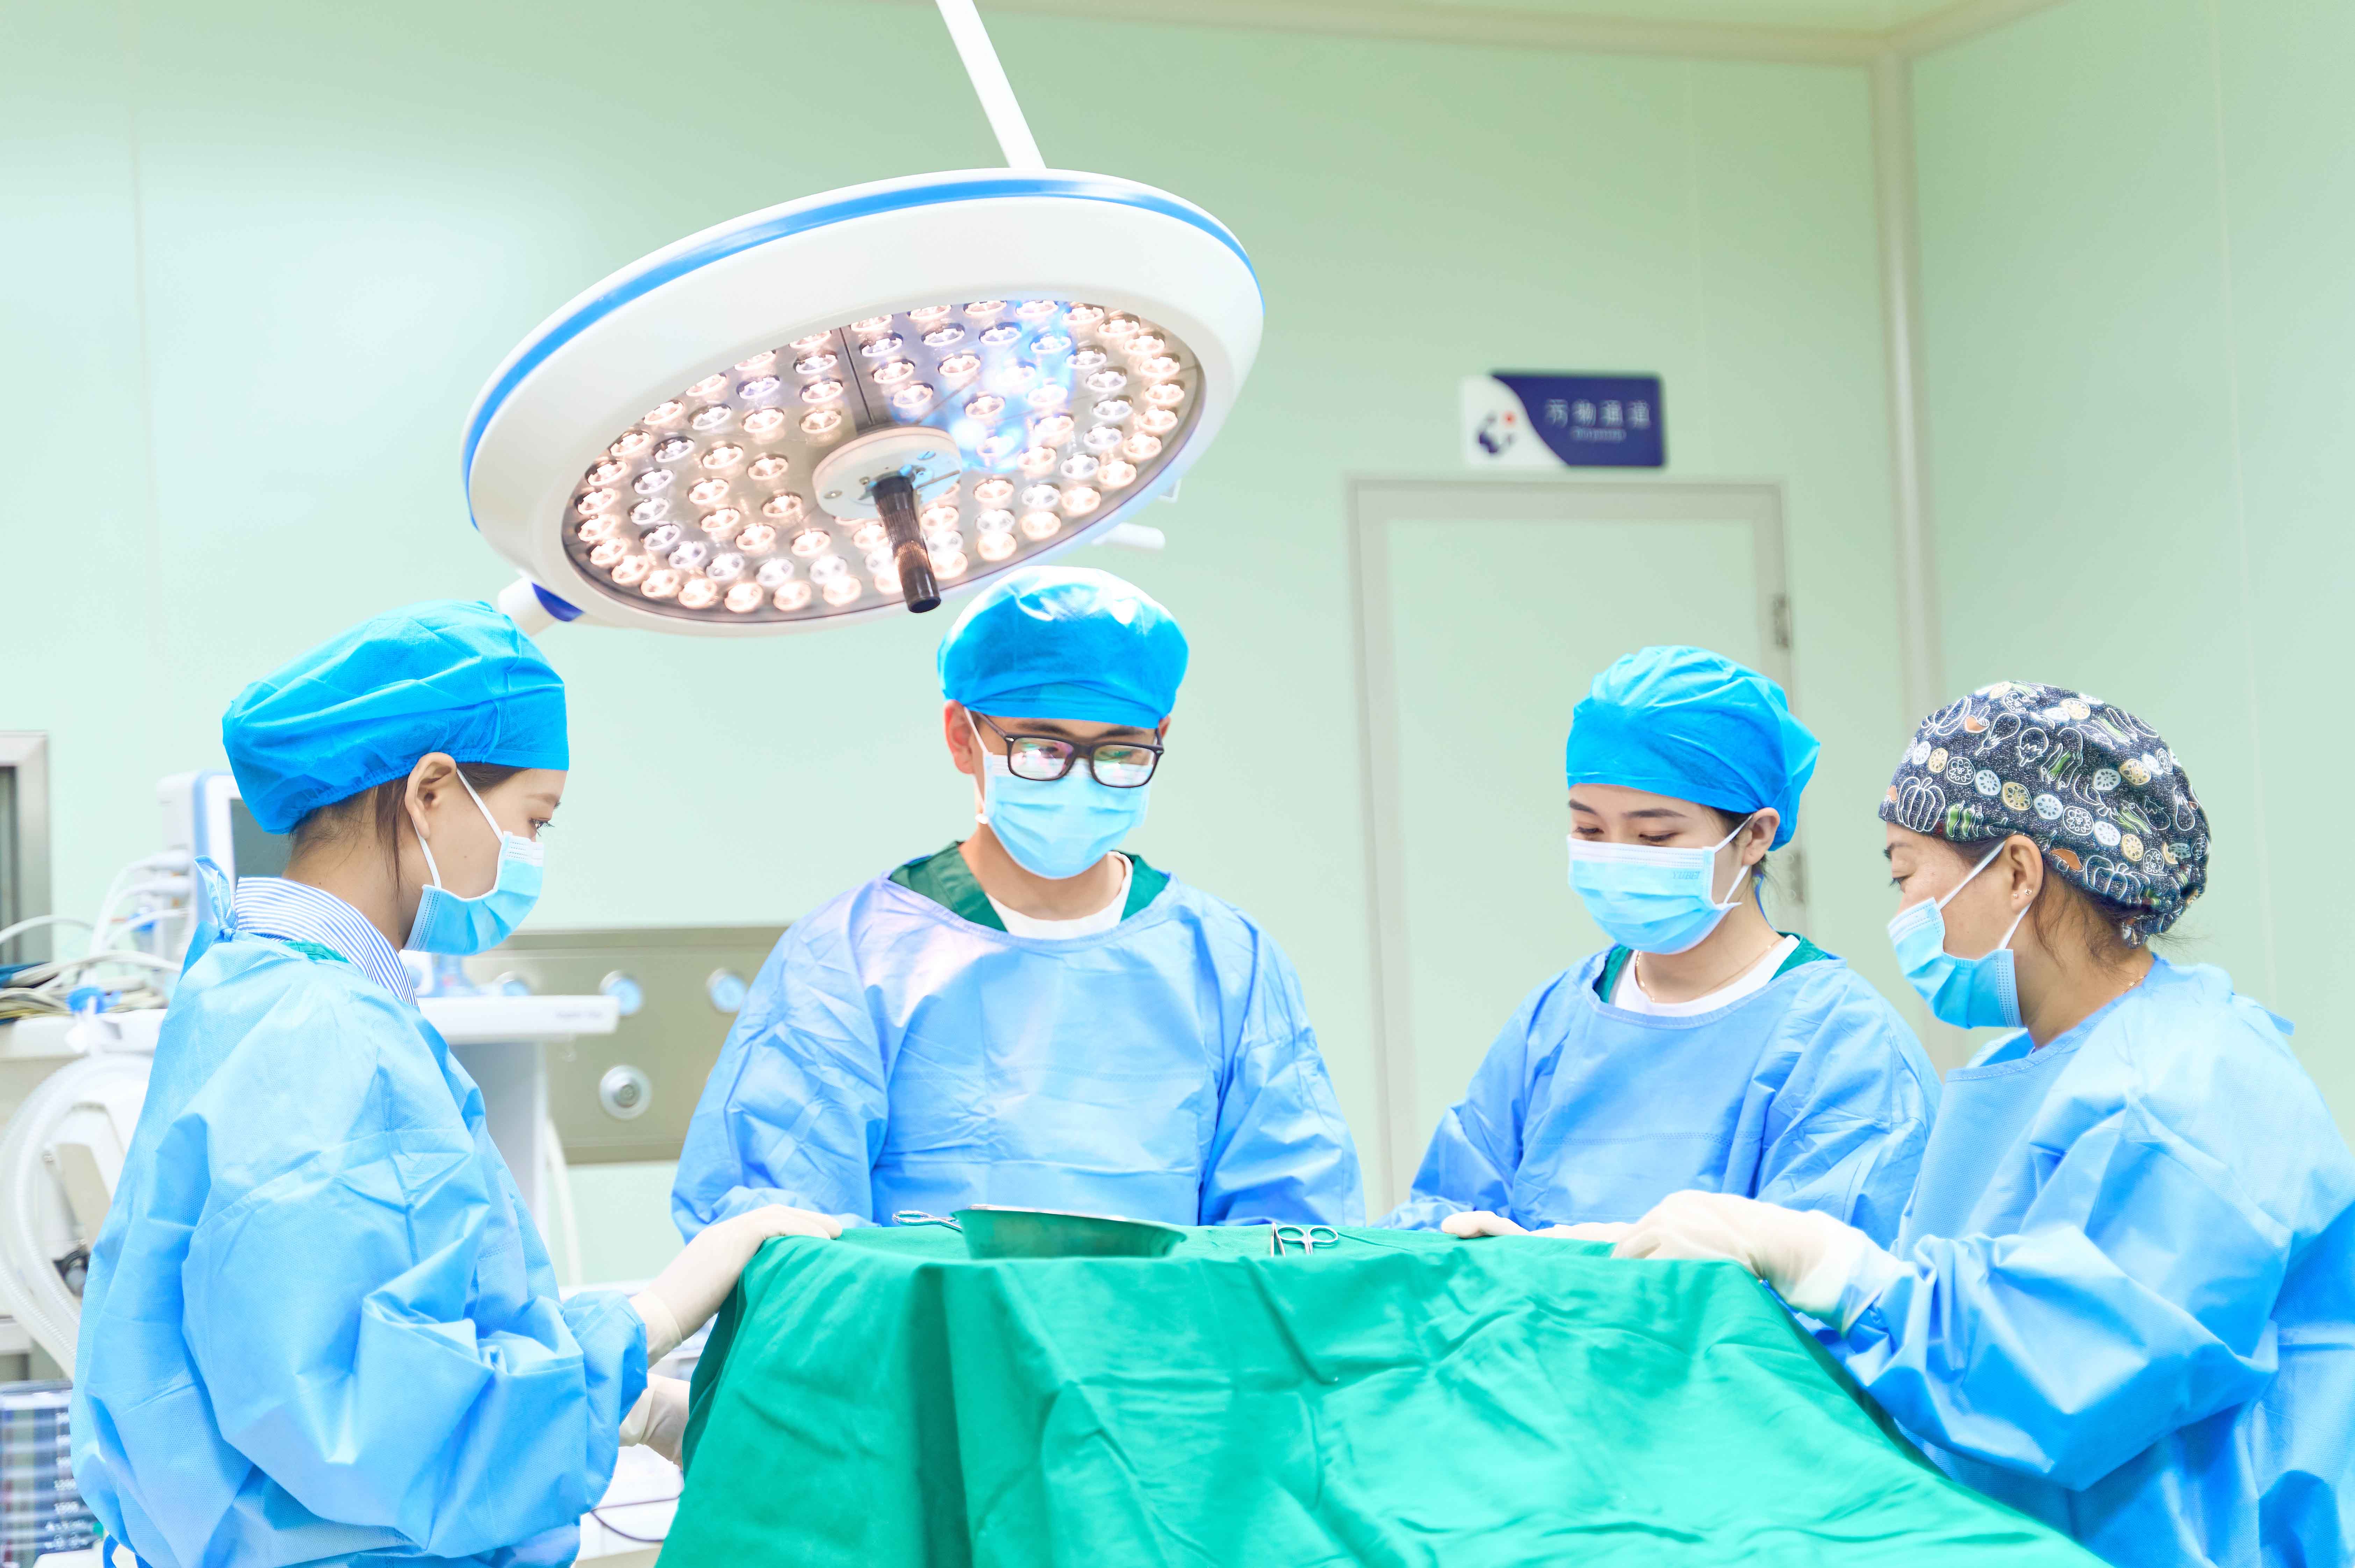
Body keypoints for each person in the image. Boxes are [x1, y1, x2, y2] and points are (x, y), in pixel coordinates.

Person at [74, 602, 837, 1568]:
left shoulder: (249, 986)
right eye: (534, 821)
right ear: (432, 789)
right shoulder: (327, 1033)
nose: (532, 855)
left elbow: (342, 1338)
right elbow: (374, 1422)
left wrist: (637, 1405)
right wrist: (658, 1314)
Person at [1602, 682, 2355, 1568]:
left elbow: (2069, 1373)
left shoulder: (2189, 1086)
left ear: (2017, 871)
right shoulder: (2025, 1068)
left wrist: (1837, 1269)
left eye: (1905, 875)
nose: (1901, 916)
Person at [673, 565, 1362, 1233]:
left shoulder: (1227, 960)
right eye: (1041, 749)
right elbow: (781, 1234)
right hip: (930, 1321)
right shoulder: (849, 958)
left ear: (1160, 738)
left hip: (1168, 1322)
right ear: (961, 737)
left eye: (1119, 752)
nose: (1079, 779)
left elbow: (1293, 1235)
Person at [1395, 645, 1937, 1246]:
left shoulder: (1842, 1045)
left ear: (1755, 835)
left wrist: (1574, 1267)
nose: (1615, 856)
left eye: (1653, 835)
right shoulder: (1556, 1021)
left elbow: (1828, 1283)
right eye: (1589, 829)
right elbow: (1441, 1221)